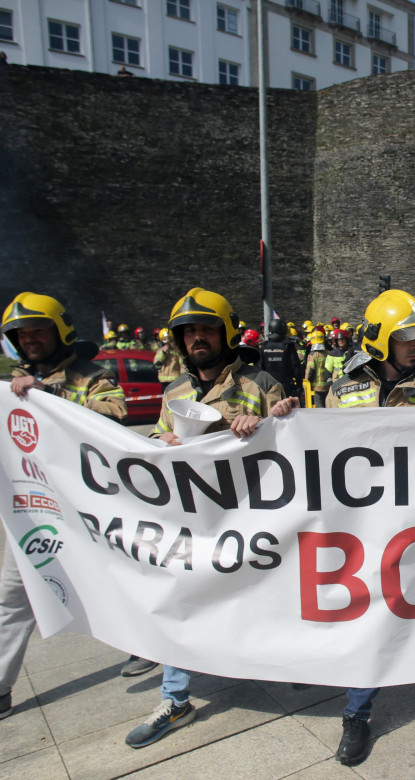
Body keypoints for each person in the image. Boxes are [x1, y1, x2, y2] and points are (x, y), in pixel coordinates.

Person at [270, 288, 415, 766]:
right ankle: (320, 666)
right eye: (406, 337)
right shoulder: (342, 391)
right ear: (380, 340)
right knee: (343, 610)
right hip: (353, 527)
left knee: (380, 619)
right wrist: (284, 422)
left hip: (411, 530)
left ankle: (356, 713)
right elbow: (315, 446)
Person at [0, 293, 134, 730]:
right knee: (13, 597)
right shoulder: (9, 387)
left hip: (90, 512)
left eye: (38, 330)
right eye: (21, 334)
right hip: (35, 511)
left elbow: (114, 421)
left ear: (60, 330)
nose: (29, 339)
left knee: (122, 578)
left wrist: (49, 397)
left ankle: (146, 645)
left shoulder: (92, 378)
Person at [126, 288, 285, 748]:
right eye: (189, 331)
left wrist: (269, 422)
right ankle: (175, 699)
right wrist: (159, 442)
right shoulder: (174, 390)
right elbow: (157, 439)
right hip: (194, 517)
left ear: (227, 332)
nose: (197, 337)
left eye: (207, 329)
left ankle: (293, 665)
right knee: (179, 597)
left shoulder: (260, 384)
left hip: (251, 516)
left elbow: (292, 445)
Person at [260, 317, 303, 399]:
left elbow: (260, 367)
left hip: (269, 386)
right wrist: (299, 385)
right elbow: (296, 367)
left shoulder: (264, 346)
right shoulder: (288, 345)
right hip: (286, 385)